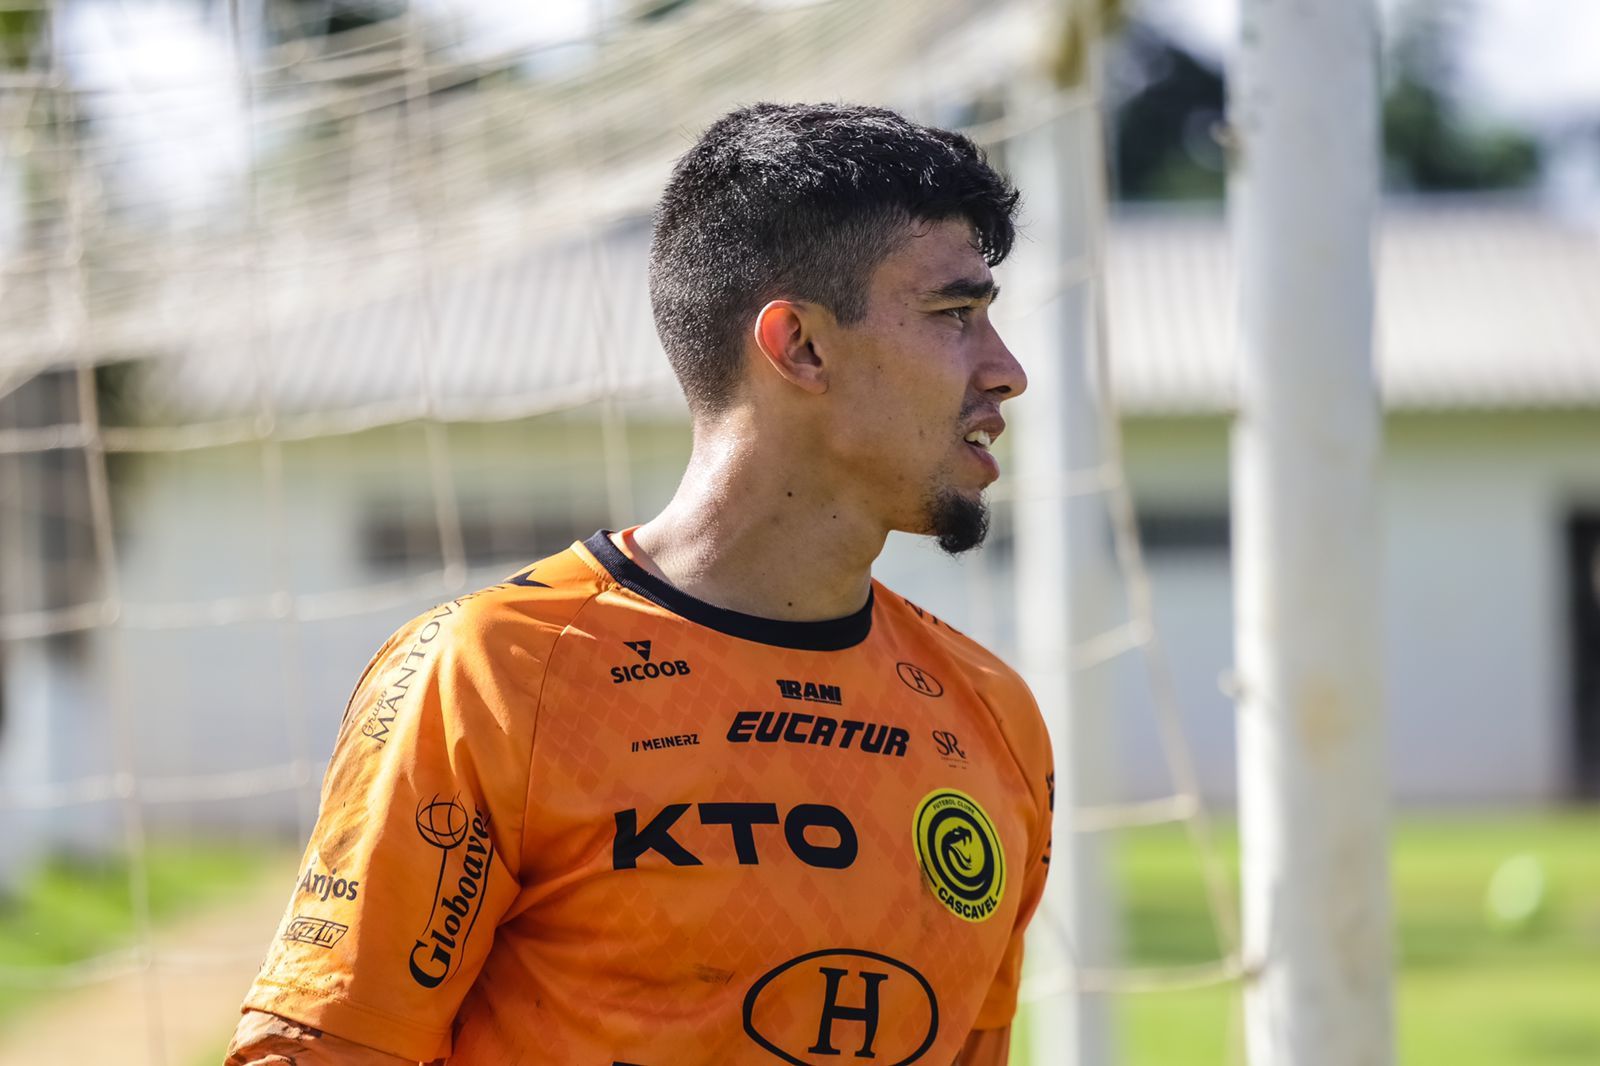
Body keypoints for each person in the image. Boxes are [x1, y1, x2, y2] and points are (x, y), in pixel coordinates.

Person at [227, 101, 1052, 1066]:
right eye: (955, 315)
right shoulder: (492, 676)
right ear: (800, 345)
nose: (1007, 371)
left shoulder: (993, 714)